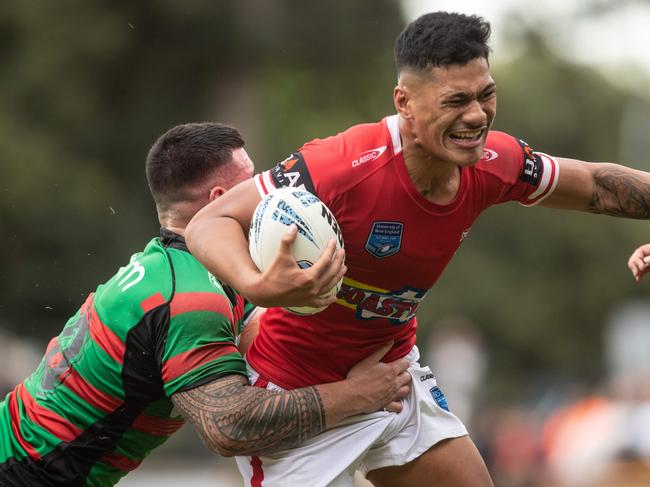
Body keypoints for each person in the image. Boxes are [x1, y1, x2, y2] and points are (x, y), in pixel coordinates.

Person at [185, 12, 650, 487]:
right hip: (298, 398)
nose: (476, 115)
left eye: (486, 95)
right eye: (456, 101)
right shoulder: (342, 166)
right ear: (404, 103)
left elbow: (597, 186)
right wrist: (258, 283)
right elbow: (208, 222)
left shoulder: (494, 162)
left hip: (394, 383)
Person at [0, 123, 412, 486]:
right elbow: (229, 427)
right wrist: (356, 394)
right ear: (218, 199)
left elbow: (266, 340)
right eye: (252, 182)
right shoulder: (192, 298)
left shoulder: (180, 268)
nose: (268, 192)